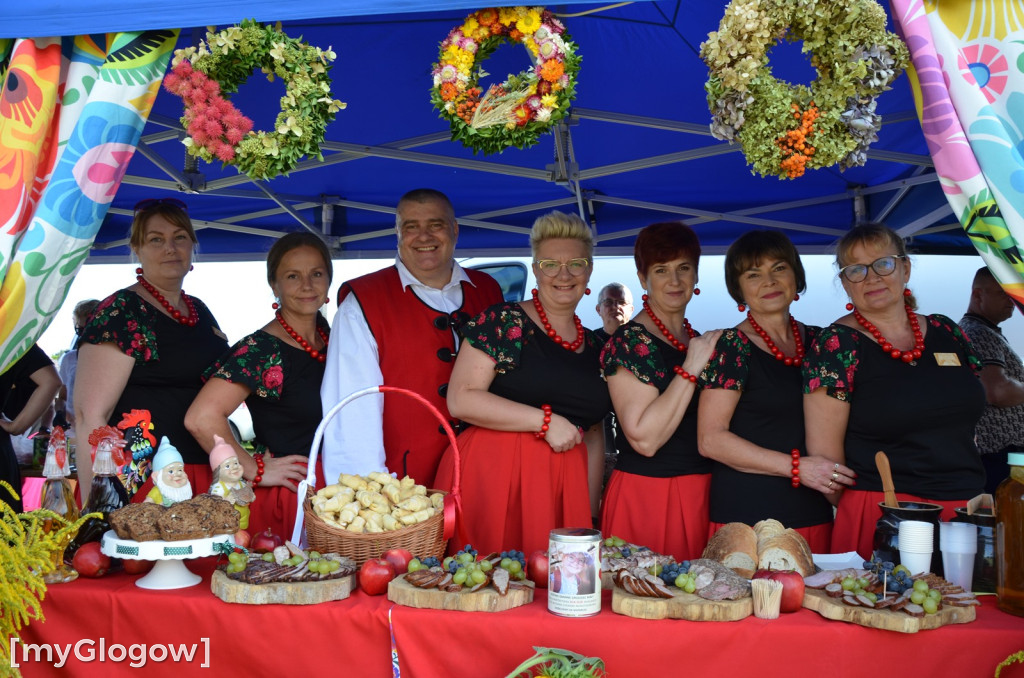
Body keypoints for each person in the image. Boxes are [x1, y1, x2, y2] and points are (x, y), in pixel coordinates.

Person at [804, 223, 986, 558]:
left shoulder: (948, 331)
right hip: (882, 515)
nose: (871, 277)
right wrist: (863, 509)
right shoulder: (836, 344)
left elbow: (968, 422)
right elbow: (826, 458)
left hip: (964, 510)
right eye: (856, 270)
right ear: (845, 284)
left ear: (905, 268)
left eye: (883, 264)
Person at [435, 211, 610, 557]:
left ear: (589, 271)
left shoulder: (597, 347)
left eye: (575, 263)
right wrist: (545, 422)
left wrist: (589, 513)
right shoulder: (502, 321)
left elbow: (592, 433)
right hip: (493, 478)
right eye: (550, 264)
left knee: (556, 595)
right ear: (535, 269)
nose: (563, 274)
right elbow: (461, 399)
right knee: (484, 588)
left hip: (563, 487)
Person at [320, 189, 502, 488]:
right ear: (398, 233)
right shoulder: (364, 303)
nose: (424, 236)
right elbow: (352, 411)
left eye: (436, 225)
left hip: (486, 475)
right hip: (403, 489)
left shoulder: (488, 291)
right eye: (411, 227)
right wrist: (369, 500)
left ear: (454, 230)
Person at [697, 231, 842, 553]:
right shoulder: (731, 347)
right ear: (739, 290)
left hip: (813, 509)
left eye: (779, 268)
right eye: (753, 274)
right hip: (746, 519)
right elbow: (711, 440)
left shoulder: (823, 343)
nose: (769, 281)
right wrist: (797, 467)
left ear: (796, 275)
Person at [74, 198, 228, 497]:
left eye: (179, 237)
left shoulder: (199, 310)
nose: (170, 248)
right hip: (139, 479)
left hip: (202, 473)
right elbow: (89, 418)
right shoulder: (120, 311)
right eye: (156, 239)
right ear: (137, 249)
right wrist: (95, 502)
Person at [186, 232, 330, 537]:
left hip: (333, 495)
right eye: (293, 276)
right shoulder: (262, 349)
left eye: (316, 274)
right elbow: (201, 418)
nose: (307, 285)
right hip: (290, 499)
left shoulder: (329, 336)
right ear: (274, 285)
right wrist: (254, 468)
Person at [599, 222, 720, 561]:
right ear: (643, 279)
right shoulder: (628, 341)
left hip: (704, 492)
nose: (675, 280)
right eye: (661, 270)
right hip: (649, 495)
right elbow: (644, 439)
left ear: (696, 275)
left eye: (684, 268)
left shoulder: (691, 338)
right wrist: (692, 367)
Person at [959, 266, 1024, 493]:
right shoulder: (979, 333)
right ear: (978, 295)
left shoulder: (984, 331)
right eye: (1003, 294)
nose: (1011, 301)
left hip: (1001, 457)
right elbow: (996, 391)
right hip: (998, 458)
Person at [0, 345, 61, 512]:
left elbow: (52, 382)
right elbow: (51, 381)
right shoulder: (11, 332)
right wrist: (15, 426)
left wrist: (15, 426)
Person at [594, 283, 634, 500]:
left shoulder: (642, 345)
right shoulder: (589, 343)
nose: (615, 306)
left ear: (631, 309)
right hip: (598, 431)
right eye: (608, 302)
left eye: (621, 302)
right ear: (598, 309)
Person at [54, 299, 100, 430]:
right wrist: (59, 413)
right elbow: (62, 397)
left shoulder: (115, 358)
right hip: (74, 430)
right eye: (80, 330)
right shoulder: (69, 359)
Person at [208, 434, 255, 529]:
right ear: (218, 471)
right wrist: (226, 500)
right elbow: (215, 506)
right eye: (227, 466)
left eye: (236, 463)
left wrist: (251, 496)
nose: (234, 467)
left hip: (243, 522)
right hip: (226, 525)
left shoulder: (241, 483)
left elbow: (250, 497)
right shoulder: (219, 488)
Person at [145, 436, 192, 506]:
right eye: (171, 471)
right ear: (156, 476)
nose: (178, 474)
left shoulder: (184, 493)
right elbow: (144, 507)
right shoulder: (157, 492)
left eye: (180, 470)